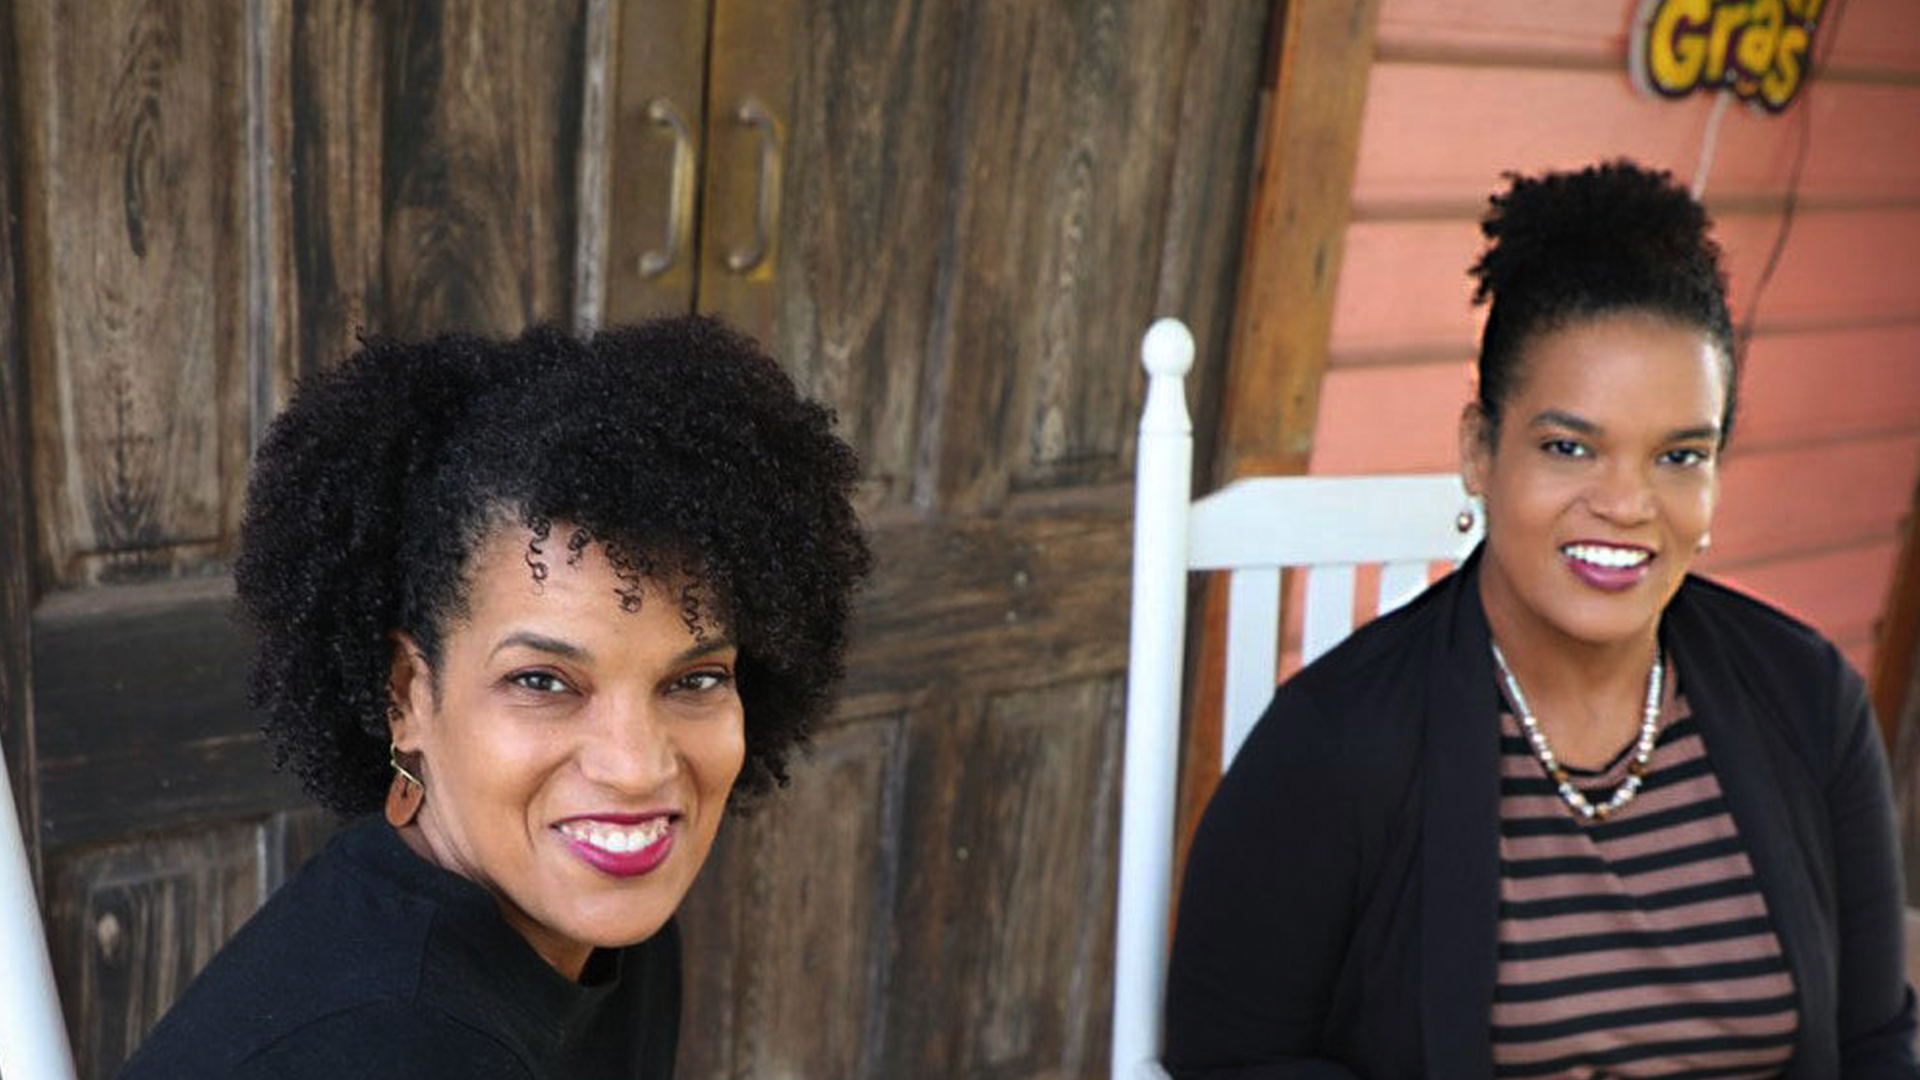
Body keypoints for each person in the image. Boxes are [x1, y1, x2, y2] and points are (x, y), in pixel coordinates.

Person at [1163, 161, 1919, 1078]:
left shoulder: (1809, 703)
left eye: (1680, 455)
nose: (1628, 504)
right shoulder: (1334, 743)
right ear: (1479, 452)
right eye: (1570, 447)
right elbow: (1228, 1058)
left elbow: (1876, 1044)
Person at [114, 316, 871, 1079]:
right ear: (406, 695)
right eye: (542, 682)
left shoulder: (604, 929)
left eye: (695, 680)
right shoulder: (394, 1045)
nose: (636, 769)